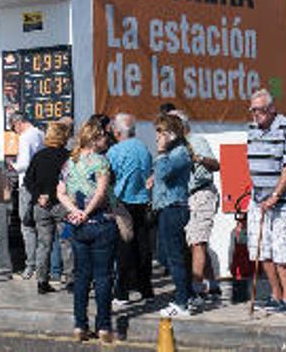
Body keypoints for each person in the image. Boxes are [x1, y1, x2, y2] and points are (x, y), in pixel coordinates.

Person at [57, 119, 118, 343]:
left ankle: (79, 325)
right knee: (103, 277)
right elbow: (101, 193)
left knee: (82, 276)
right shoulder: (101, 162)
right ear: (93, 139)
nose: (105, 140)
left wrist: (76, 212)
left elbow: (60, 192)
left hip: (78, 226)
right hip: (101, 222)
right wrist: (87, 212)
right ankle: (103, 327)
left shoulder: (69, 162)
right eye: (102, 136)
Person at [246, 89, 286, 314]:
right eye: (252, 110)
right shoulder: (251, 130)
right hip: (258, 198)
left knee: (282, 250)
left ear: (271, 109)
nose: (254, 115)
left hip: (283, 199)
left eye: (258, 110)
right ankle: (275, 295)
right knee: (262, 249)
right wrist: (259, 195)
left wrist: (275, 195)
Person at [169, 110, 222, 302]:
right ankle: (213, 285)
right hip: (187, 196)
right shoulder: (175, 146)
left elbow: (216, 165)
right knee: (196, 241)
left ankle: (195, 289)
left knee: (197, 242)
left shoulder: (196, 141)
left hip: (202, 193)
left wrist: (198, 158)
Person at [106, 113, 155, 305]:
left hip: (122, 202)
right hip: (142, 201)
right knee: (143, 247)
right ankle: (146, 290)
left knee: (124, 247)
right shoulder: (144, 148)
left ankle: (122, 292)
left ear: (117, 132)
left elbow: (109, 176)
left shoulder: (115, 151)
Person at [152, 113, 195, 317]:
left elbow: (164, 173)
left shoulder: (179, 153)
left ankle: (182, 302)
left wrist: (161, 152)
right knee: (169, 255)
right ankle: (188, 295)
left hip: (174, 208)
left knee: (174, 256)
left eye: (160, 133)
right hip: (166, 207)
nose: (157, 138)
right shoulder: (174, 152)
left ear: (171, 134)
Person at [25, 121, 73, 294]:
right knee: (66, 242)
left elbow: (28, 180)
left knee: (43, 244)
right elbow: (70, 181)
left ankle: (42, 281)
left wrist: (40, 195)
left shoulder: (39, 156)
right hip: (63, 206)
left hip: (41, 206)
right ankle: (70, 280)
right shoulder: (69, 157)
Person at [10, 112, 45, 280]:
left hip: (27, 185)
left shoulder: (25, 137)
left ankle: (30, 266)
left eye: (13, 128)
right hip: (40, 184)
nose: (14, 132)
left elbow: (23, 164)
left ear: (18, 123)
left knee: (27, 225)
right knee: (41, 225)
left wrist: (12, 165)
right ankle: (42, 265)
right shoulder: (41, 134)